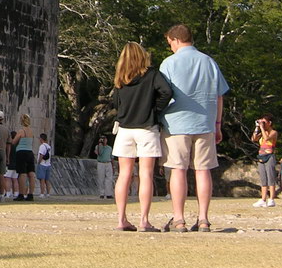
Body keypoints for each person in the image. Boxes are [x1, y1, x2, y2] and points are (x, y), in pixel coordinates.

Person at [159, 23, 230, 233]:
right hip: (205, 123)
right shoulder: (209, 62)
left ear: (176, 40)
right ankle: (203, 219)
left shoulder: (169, 63)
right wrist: (218, 124)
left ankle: (179, 219)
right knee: (203, 170)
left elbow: (163, 93)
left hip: (177, 122)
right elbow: (219, 96)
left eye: (170, 43)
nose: (170, 47)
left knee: (178, 170)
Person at [111, 41, 173, 232]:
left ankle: (121, 219)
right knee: (145, 174)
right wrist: (155, 110)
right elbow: (167, 92)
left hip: (125, 128)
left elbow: (115, 103)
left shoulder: (120, 80)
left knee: (124, 174)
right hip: (146, 127)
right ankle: (144, 221)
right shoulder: (152, 75)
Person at [251, 114, 278, 208]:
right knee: (263, 179)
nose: (263, 124)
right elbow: (253, 139)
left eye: (264, 122)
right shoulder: (262, 132)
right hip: (261, 156)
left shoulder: (273, 132)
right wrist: (257, 128)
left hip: (270, 156)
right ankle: (263, 199)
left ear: (269, 123)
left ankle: (271, 199)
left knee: (271, 177)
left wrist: (262, 128)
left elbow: (267, 138)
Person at [10, 114, 36, 202]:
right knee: (31, 174)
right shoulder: (31, 131)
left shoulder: (21, 131)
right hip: (30, 152)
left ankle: (21, 194)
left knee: (22, 173)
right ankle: (30, 194)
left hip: (21, 152)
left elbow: (14, 142)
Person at [93, 135, 114, 199]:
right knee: (101, 178)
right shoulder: (98, 147)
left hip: (108, 163)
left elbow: (112, 157)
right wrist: (100, 145)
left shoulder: (109, 148)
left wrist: (112, 165)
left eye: (104, 139)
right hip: (101, 163)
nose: (104, 141)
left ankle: (109, 194)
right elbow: (99, 153)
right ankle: (102, 193)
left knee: (109, 179)